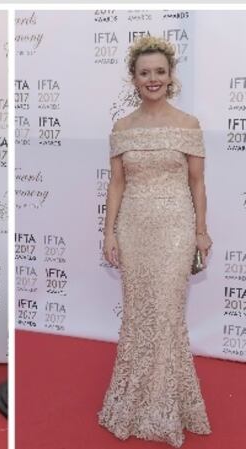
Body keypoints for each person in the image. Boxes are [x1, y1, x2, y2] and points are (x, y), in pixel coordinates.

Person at [98, 36, 212, 447]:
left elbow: (197, 184)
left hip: (175, 226)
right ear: (134, 78)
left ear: (170, 76)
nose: (153, 79)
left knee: (165, 313)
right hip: (134, 226)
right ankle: (136, 402)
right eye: (144, 73)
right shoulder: (122, 127)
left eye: (159, 72)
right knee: (138, 316)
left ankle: (165, 406)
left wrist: (201, 230)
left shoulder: (188, 125)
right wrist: (109, 231)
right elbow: (116, 184)